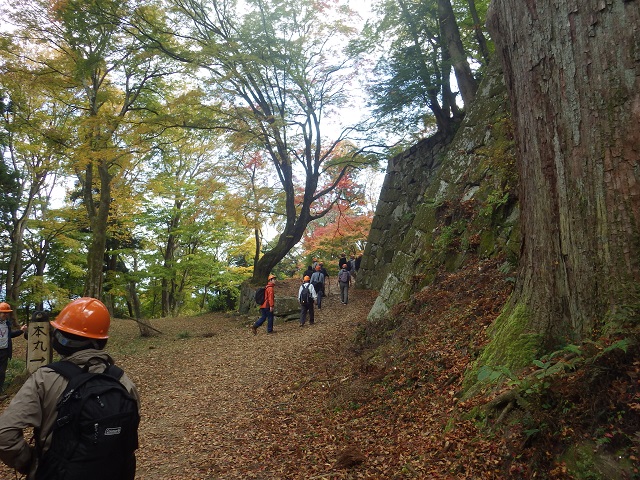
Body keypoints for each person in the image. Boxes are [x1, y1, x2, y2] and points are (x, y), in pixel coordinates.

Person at [0, 297, 140, 479]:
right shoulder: (121, 380)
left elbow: (5, 434)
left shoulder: (45, 379)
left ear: (60, 339)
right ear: (102, 341)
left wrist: (31, 463)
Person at [0, 302, 26, 398]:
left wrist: (21, 330)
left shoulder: (7, 324)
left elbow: (10, 335)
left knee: (1, 373)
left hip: (4, 351)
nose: (6, 315)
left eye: (7, 313)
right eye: (3, 313)